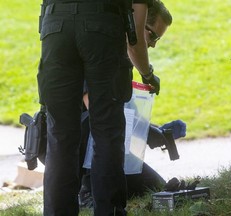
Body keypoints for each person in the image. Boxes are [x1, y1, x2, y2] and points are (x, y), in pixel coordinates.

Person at [37, 0, 159, 215]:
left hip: (54, 27)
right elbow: (136, 37)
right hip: (103, 28)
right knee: (107, 133)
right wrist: (147, 74)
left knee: (60, 136)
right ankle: (109, 211)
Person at [78, 0, 179, 208]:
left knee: (156, 187)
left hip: (107, 139)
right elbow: (96, 111)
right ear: (138, 23)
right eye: (153, 35)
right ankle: (87, 192)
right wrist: (142, 132)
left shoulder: (122, 57)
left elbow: (120, 111)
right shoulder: (101, 47)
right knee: (98, 125)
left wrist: (149, 130)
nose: (152, 45)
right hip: (78, 139)